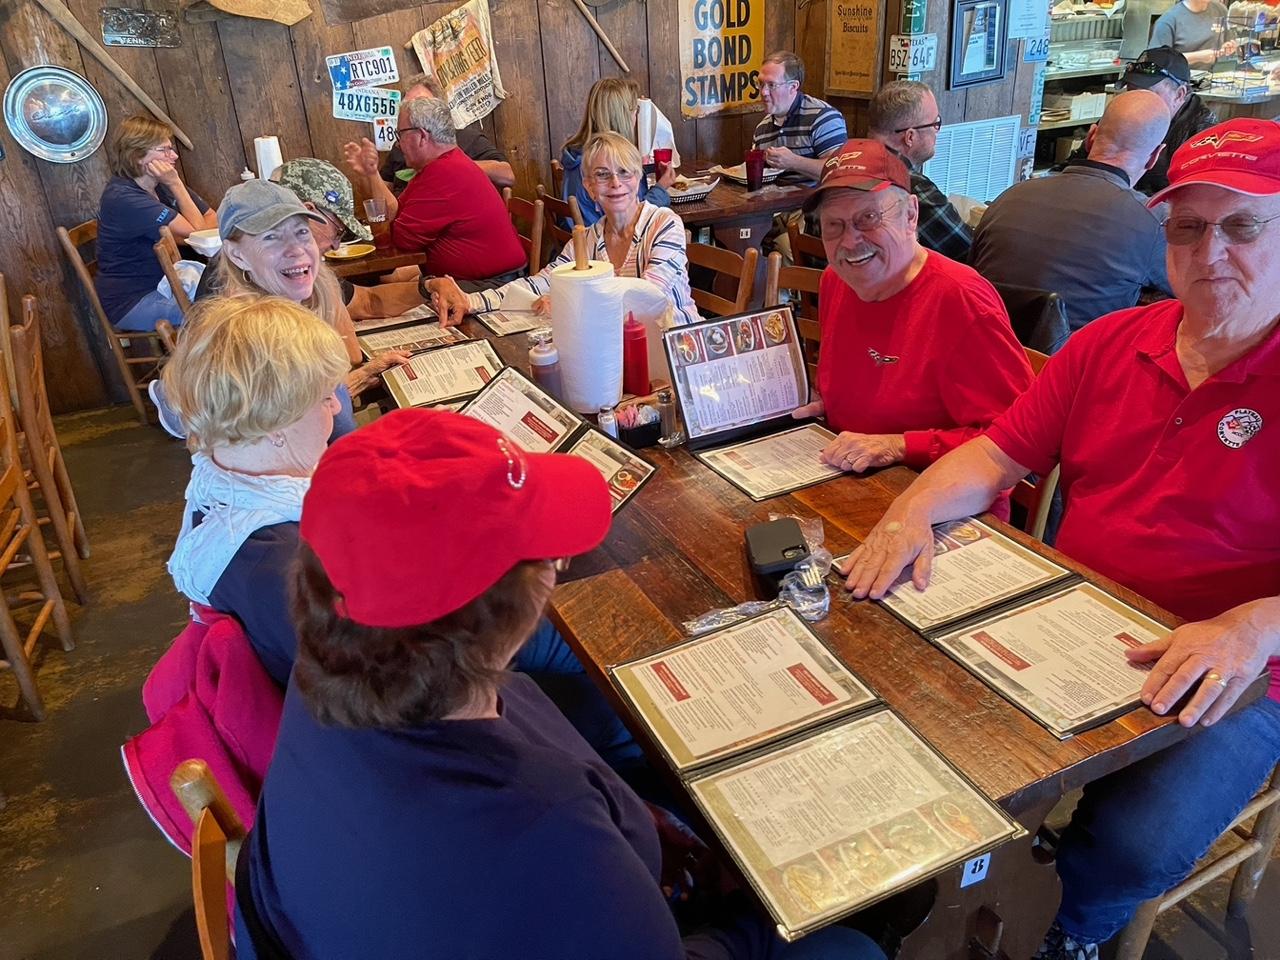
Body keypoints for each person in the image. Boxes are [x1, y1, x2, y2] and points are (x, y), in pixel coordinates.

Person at [836, 118, 1280, 960]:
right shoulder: (1109, 343)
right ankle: (968, 885)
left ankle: (1067, 929)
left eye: (1243, 225)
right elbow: (993, 455)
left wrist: (1255, 625)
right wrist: (912, 512)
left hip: (1246, 665)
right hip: (1079, 615)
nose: (1209, 250)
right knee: (907, 710)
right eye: (1187, 227)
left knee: (1136, 841)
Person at [234, 407, 887, 960]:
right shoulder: (547, 828)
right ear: (507, 618)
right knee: (861, 933)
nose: (560, 563)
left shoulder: (320, 673)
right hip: (596, 904)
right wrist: (759, 924)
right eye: (546, 556)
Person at [789, 140, 1032, 508]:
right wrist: (823, 402)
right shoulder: (836, 281)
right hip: (853, 482)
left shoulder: (960, 299)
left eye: (868, 218)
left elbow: (1016, 442)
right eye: (833, 225)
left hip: (948, 504)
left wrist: (898, 445)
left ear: (911, 215)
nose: (850, 241)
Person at [162, 295, 349, 688]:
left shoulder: (219, 479)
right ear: (276, 424)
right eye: (324, 397)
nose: (335, 407)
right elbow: (366, 692)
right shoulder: (286, 565)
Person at [972, 90, 1173, 334]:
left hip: (983, 346)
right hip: (1076, 356)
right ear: (1154, 157)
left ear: (1090, 137)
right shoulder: (1153, 220)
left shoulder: (1009, 197)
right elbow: (1192, 292)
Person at [466, 132, 700, 329]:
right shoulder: (587, 240)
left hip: (681, 351)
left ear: (638, 178)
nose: (615, 183)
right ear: (589, 187)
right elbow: (540, 283)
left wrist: (569, 305)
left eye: (624, 172)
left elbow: (647, 297)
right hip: (620, 350)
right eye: (602, 175)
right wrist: (471, 301)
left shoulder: (665, 224)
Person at [193, 159, 467, 325]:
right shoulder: (234, 307)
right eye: (272, 237)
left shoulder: (298, 274)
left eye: (301, 232)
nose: (336, 245)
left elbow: (367, 302)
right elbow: (348, 356)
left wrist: (428, 286)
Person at [347, 96, 526, 288]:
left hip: (491, 286)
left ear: (422, 136)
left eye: (400, 135)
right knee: (373, 295)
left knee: (371, 297)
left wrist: (389, 225)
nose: (398, 144)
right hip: (472, 280)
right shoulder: (440, 165)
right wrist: (371, 173)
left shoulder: (445, 172)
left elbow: (402, 240)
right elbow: (396, 212)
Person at [95, 115, 218, 332]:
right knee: (222, 310)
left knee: (239, 290)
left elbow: (210, 217)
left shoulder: (158, 183)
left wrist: (190, 234)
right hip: (135, 300)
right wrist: (176, 183)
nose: (174, 155)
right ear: (138, 156)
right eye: (165, 150)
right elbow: (200, 233)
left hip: (172, 282)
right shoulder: (125, 197)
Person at [867, 80, 971, 261]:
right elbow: (969, 250)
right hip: (876, 279)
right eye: (935, 124)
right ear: (910, 137)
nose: (937, 132)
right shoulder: (910, 186)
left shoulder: (839, 165)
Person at [561, 77, 673, 226]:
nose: (636, 117)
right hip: (600, 238)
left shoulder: (577, 153)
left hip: (578, 235)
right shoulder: (598, 164)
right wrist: (661, 188)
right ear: (623, 117)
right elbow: (630, 221)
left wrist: (649, 169)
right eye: (636, 110)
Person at [378, 73, 515, 191]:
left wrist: (451, 166)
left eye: (421, 104)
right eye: (407, 104)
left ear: (440, 109)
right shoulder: (401, 146)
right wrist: (370, 172)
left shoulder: (468, 138)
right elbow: (385, 194)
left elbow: (507, 175)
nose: (412, 111)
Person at [1116, 47, 1217, 195]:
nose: (1136, 101)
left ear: (1179, 94)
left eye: (1147, 94)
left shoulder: (1203, 134)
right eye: (1131, 92)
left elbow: (1194, 197)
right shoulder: (1124, 113)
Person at [751, 51, 848, 181]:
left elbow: (838, 170)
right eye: (760, 83)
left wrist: (794, 162)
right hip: (772, 194)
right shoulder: (761, 129)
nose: (763, 92)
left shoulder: (822, 117)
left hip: (815, 194)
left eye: (771, 85)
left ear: (793, 86)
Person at [1151, 0, 1236, 67]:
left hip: (1220, 77)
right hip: (1184, 80)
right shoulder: (1168, 21)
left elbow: (1229, 43)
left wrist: (1228, 48)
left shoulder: (1220, 9)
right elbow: (1158, 60)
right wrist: (1197, 57)